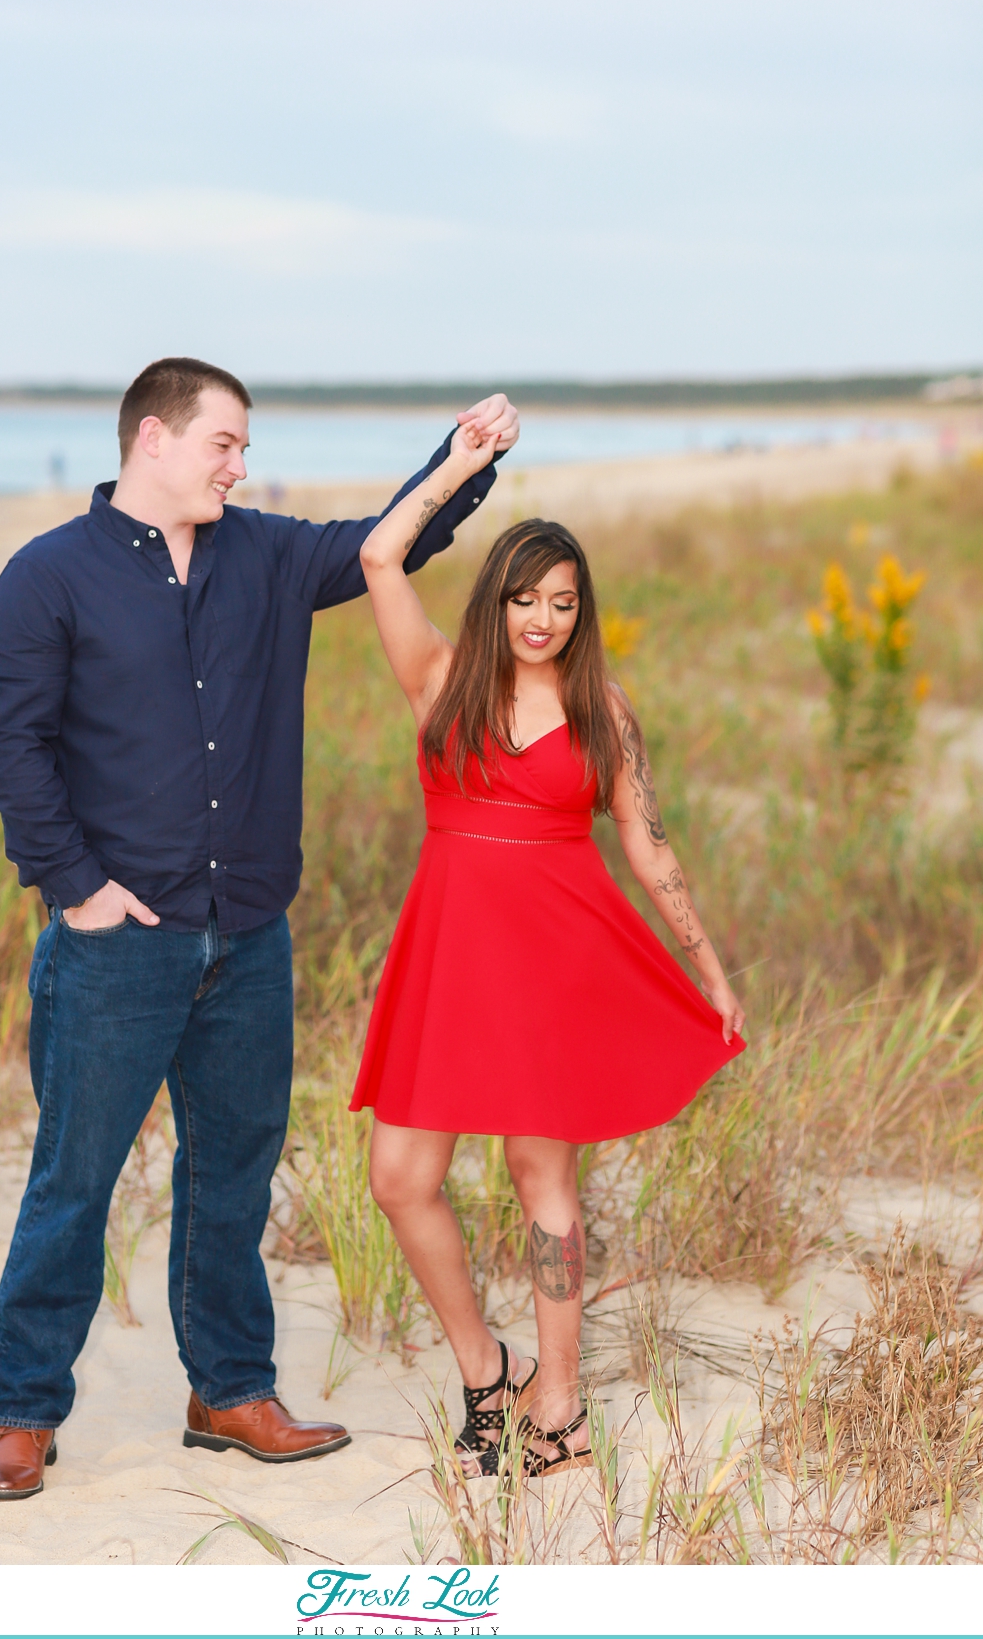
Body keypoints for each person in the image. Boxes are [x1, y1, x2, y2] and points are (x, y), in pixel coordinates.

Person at [0, 357, 519, 1500]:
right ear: (153, 441)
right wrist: (75, 888)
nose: (240, 463)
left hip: (251, 936)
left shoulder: (263, 555)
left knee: (234, 1180)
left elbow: (386, 542)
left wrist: (464, 466)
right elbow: (10, 744)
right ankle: (22, 1413)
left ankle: (229, 1392)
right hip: (117, 943)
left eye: (243, 447)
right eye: (224, 442)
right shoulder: (47, 576)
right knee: (76, 1178)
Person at [349, 418, 746, 1478]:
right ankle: (487, 1369)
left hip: (556, 965)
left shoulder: (600, 710)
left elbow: (649, 848)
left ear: (584, 613)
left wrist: (708, 966)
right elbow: (379, 555)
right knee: (398, 1175)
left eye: (564, 603)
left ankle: (559, 1406)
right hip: (448, 958)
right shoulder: (438, 678)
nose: (543, 619)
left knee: (543, 1182)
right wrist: (463, 465)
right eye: (526, 598)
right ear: (497, 600)